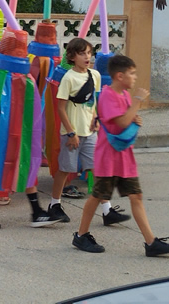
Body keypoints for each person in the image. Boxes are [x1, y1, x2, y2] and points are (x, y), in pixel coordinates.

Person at [72, 55, 169, 256]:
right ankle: (81, 235)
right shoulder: (109, 95)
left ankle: (151, 243)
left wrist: (134, 117)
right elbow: (121, 122)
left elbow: (126, 119)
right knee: (97, 196)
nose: (135, 77)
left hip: (123, 157)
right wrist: (137, 103)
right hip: (109, 158)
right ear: (119, 76)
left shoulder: (122, 94)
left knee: (136, 196)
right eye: (132, 73)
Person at [48, 38, 129, 226]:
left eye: (89, 53)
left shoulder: (95, 75)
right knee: (65, 169)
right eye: (82, 53)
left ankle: (107, 209)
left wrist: (95, 118)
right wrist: (70, 132)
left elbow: (92, 101)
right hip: (72, 133)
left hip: (89, 132)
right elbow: (61, 108)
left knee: (96, 169)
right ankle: (54, 204)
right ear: (72, 56)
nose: (87, 57)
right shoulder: (68, 78)